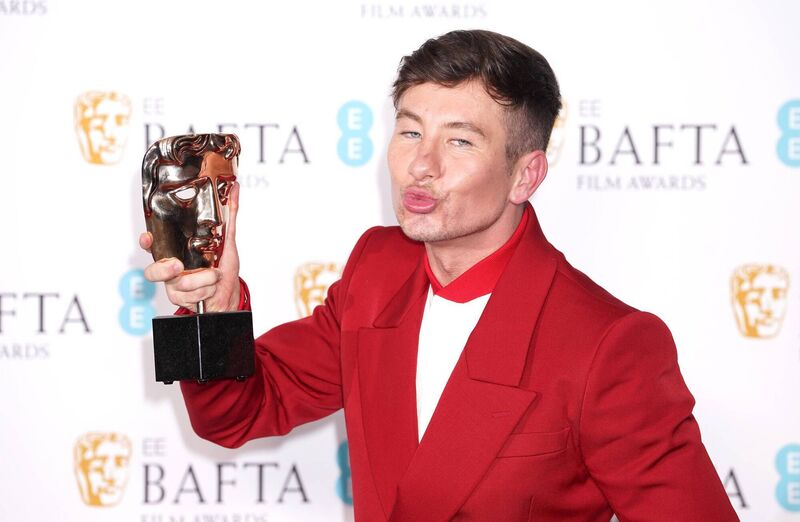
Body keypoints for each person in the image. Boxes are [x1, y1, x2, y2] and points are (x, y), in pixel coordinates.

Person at [141, 30, 738, 521]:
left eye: (460, 140)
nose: (420, 166)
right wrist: (212, 311)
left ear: (526, 177)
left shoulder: (611, 345)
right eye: (409, 131)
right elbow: (239, 414)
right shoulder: (377, 268)